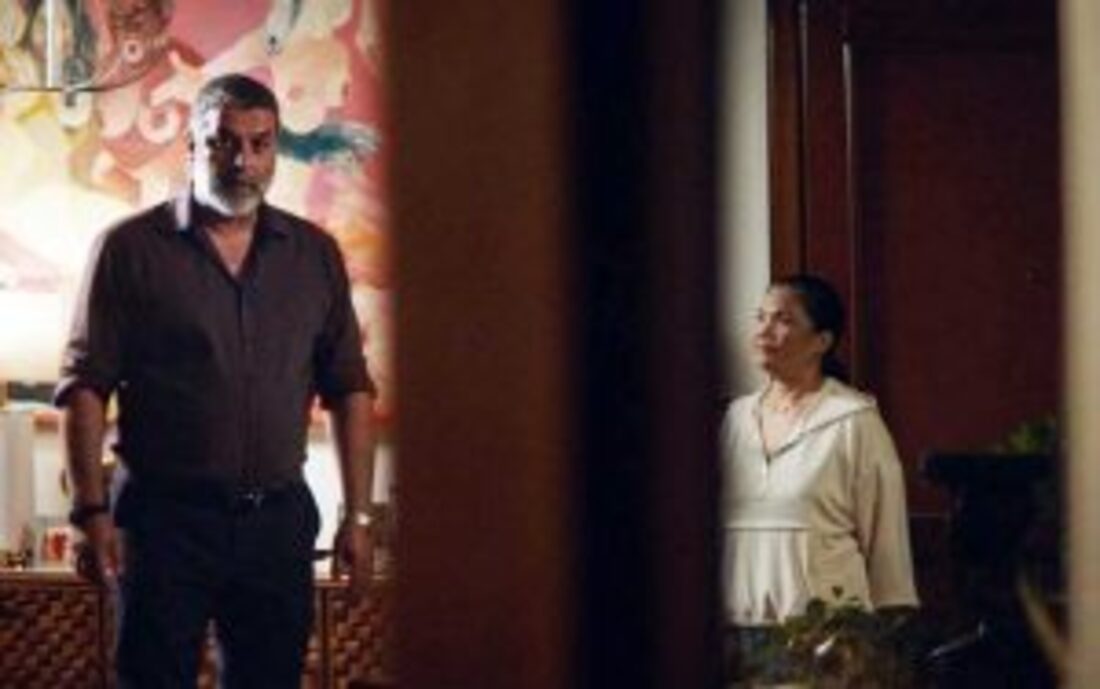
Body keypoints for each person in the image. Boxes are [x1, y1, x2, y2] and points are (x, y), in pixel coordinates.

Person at [55, 73, 377, 688]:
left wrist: (359, 517)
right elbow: (85, 385)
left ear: (275, 149)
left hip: (276, 524)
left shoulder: (314, 255)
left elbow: (348, 387)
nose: (243, 161)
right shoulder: (129, 250)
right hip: (161, 524)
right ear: (193, 147)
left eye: (260, 144)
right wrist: (89, 513)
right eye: (224, 142)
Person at [720, 275, 918, 672]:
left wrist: (886, 635)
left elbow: (887, 540)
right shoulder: (737, 418)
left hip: (826, 635)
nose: (764, 331)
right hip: (735, 633)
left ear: (822, 341)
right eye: (761, 317)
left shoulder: (853, 420)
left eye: (783, 320)